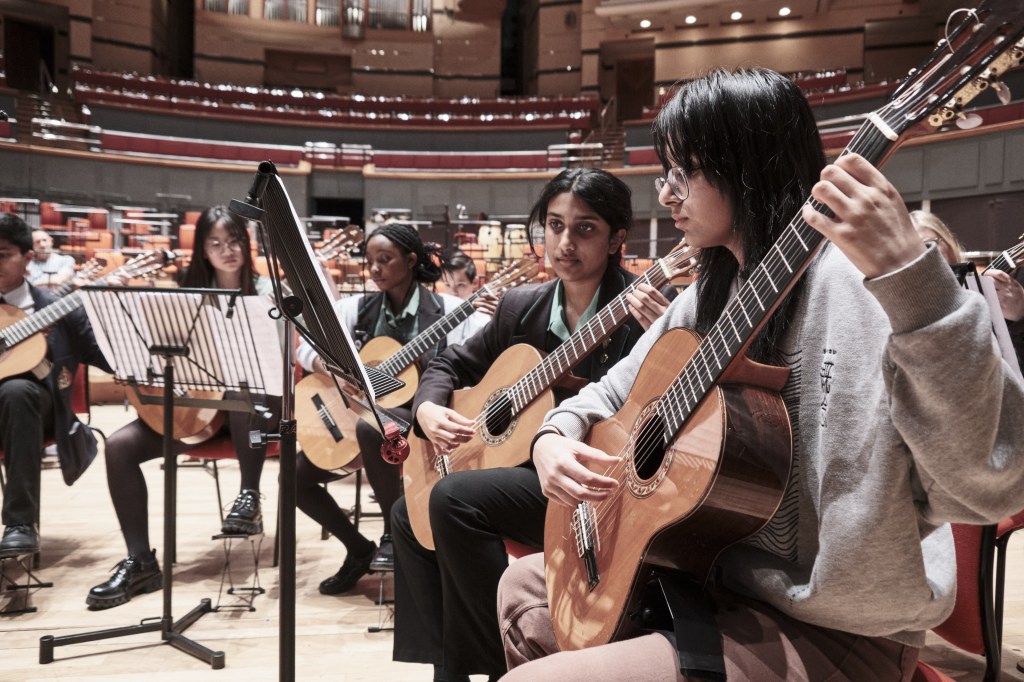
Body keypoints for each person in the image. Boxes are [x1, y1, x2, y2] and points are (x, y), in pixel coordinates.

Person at [496, 68, 1024, 681]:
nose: (667, 196)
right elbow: (611, 392)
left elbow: (992, 488)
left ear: (748, 166)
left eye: (683, 173)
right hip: (711, 578)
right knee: (523, 592)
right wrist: (553, 437)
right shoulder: (713, 294)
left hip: (836, 627)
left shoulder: (867, 291)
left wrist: (917, 290)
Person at [390, 167, 673, 682]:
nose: (565, 242)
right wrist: (426, 410)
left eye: (585, 228)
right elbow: (449, 364)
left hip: (592, 482)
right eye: (555, 225)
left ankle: (497, 665)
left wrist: (667, 342)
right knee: (407, 516)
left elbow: (662, 413)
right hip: (516, 468)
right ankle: (446, 665)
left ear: (617, 240)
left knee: (454, 499)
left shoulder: (644, 313)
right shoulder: (523, 306)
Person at [86, 205, 281, 609]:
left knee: (248, 391)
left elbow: (277, 363)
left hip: (259, 414)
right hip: (197, 413)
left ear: (247, 246)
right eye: (215, 244)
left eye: (234, 242)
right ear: (203, 251)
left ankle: (249, 496)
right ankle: (140, 561)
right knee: (119, 447)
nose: (227, 250)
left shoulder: (269, 294)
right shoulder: (181, 298)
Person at [294, 223, 489, 596]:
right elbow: (307, 348)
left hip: (422, 426)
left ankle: (392, 532)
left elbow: (487, 351)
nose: (375, 270)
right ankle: (357, 549)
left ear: (411, 260)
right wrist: (334, 369)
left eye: (384, 260)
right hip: (354, 417)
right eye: (370, 262)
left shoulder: (450, 311)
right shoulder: (356, 309)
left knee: (375, 428)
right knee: (294, 479)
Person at [0, 214, 111, 557]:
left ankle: (19, 522)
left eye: (2, 254)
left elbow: (101, 353)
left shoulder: (56, 310)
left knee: (16, 392)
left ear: (28, 259)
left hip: (36, 413)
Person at [910, 210, 1024, 368]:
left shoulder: (997, 295)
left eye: (929, 245)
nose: (924, 256)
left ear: (948, 242)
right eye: (912, 251)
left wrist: (1020, 316)